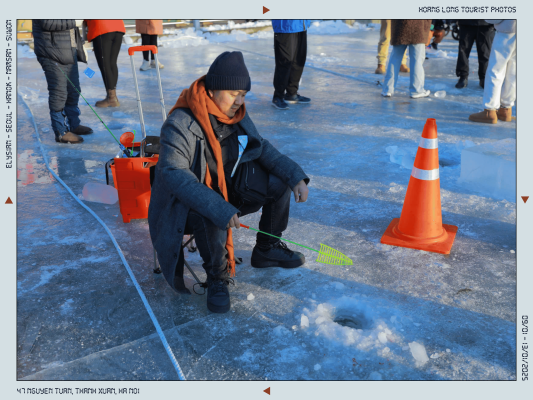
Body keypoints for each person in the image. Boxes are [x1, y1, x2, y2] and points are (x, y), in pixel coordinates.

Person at [148, 51, 310, 313]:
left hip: (229, 189)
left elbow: (262, 147)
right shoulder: (179, 123)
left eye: (244, 94)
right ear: (213, 90)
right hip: (185, 206)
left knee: (278, 182)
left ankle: (267, 249)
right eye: (234, 93)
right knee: (211, 210)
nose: (240, 101)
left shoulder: (237, 115)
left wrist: (295, 176)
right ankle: (217, 277)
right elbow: (174, 174)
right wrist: (220, 207)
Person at [32, 19, 93, 144]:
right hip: (50, 52)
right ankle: (61, 131)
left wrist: (79, 46)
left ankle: (74, 124)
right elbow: (47, 23)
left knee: (74, 90)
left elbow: (71, 30)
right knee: (59, 92)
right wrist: (73, 21)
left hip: (69, 52)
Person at [469, 20, 516, 124]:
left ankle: (489, 111)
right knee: (514, 72)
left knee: (495, 70)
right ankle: (506, 109)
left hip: (506, 31)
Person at [382, 20, 432, 99]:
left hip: (400, 26)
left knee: (395, 58)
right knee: (417, 60)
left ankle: (387, 89)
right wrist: (430, 28)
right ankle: (416, 90)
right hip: (418, 27)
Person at [271, 20, 312, 110]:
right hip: (286, 26)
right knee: (285, 62)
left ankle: (291, 93)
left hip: (301, 25)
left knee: (299, 60)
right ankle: (278, 96)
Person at [85, 20, 125, 107]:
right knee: (112, 62)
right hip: (118, 27)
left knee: (105, 64)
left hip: (102, 28)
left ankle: (111, 98)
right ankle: (112, 96)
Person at [455, 20, 495, 89]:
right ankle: (463, 76)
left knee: (485, 53)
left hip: (486, 23)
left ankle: (484, 78)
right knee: (463, 52)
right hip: (466, 22)